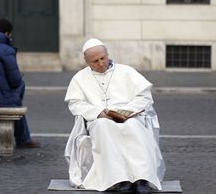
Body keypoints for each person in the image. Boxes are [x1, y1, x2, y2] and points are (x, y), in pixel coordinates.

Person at [64, 38, 165, 194]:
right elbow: (76, 104)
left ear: (107, 54)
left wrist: (129, 111)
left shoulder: (126, 71)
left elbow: (144, 97)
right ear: (87, 62)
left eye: (102, 58)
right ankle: (119, 180)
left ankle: (141, 179)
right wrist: (99, 113)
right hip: (99, 119)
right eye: (94, 61)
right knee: (104, 127)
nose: (100, 63)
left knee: (133, 127)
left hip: (129, 117)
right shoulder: (79, 78)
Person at [0, 18, 39, 148]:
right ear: (6, 33)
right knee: (18, 90)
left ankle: (24, 138)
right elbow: (14, 79)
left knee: (14, 98)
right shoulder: (5, 50)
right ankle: (23, 138)